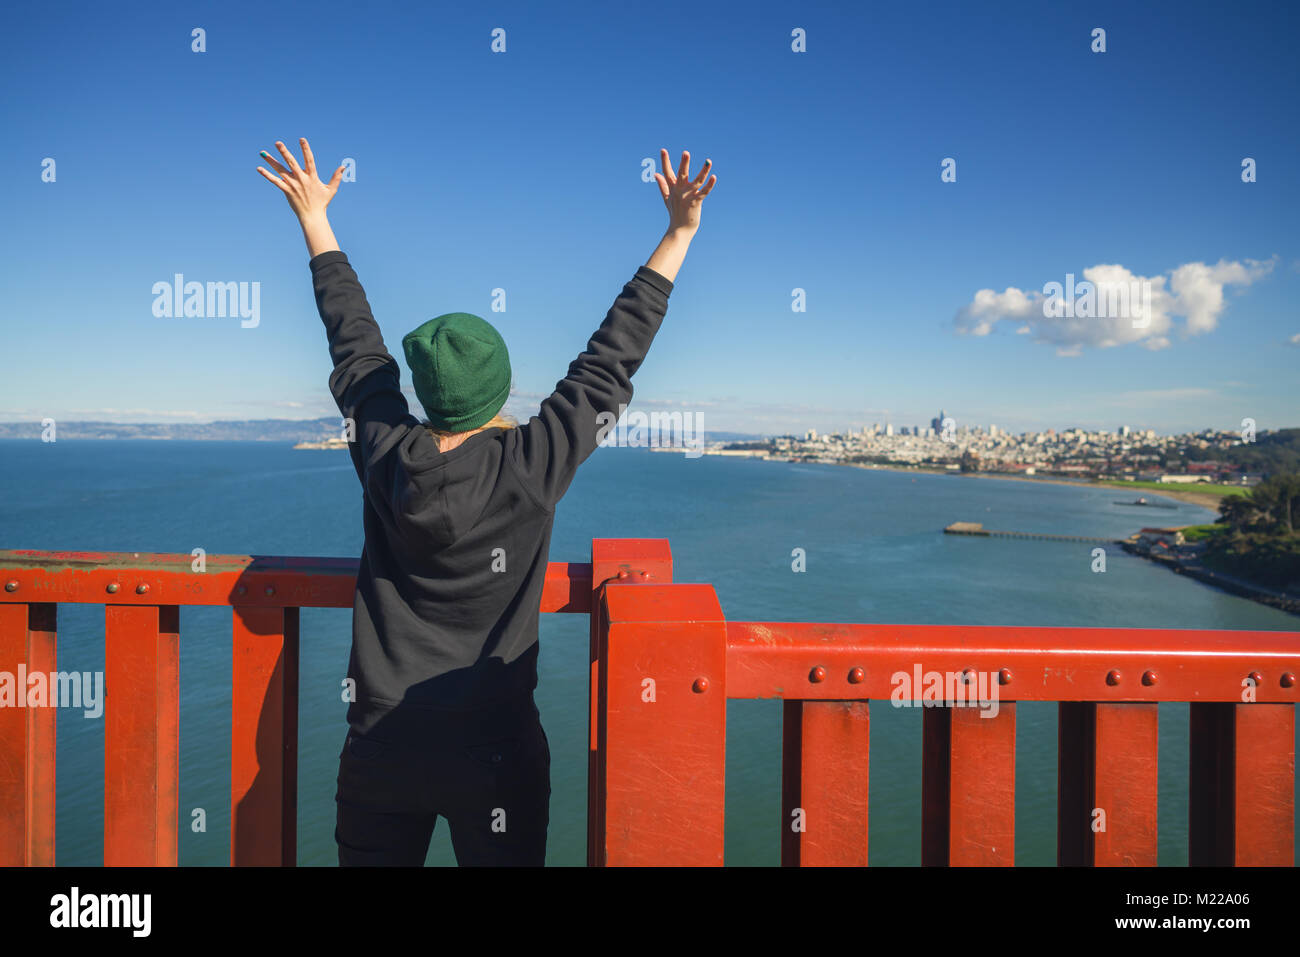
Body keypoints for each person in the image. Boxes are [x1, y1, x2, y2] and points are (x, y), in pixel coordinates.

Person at [255, 138, 717, 865]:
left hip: (383, 747)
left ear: (424, 392)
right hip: (495, 751)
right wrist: (678, 232)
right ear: (500, 393)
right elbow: (608, 363)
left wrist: (316, 220)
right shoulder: (531, 463)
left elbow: (357, 348)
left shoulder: (383, 451)